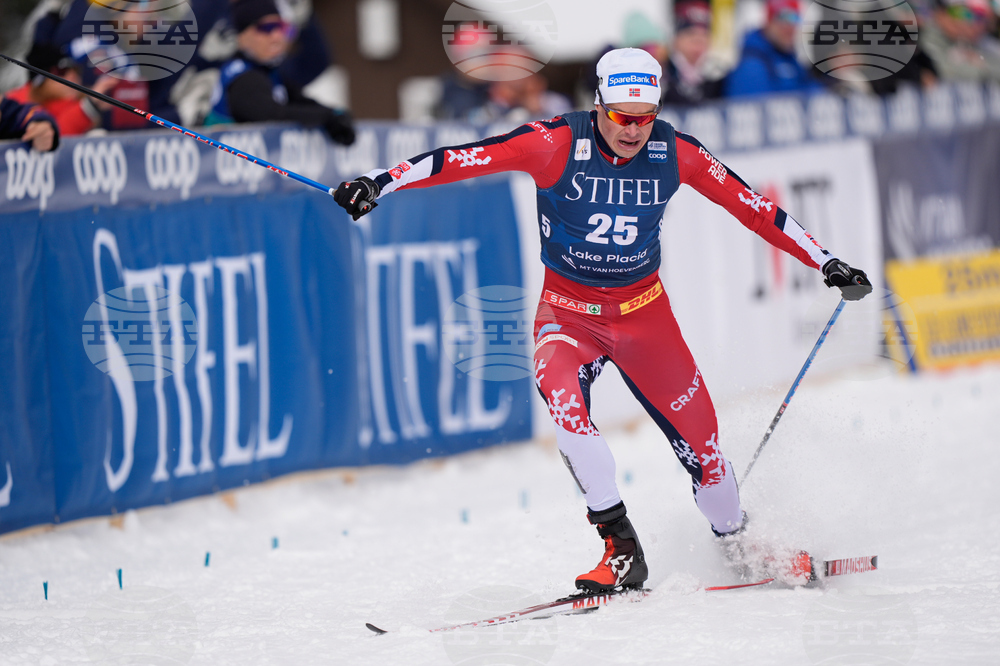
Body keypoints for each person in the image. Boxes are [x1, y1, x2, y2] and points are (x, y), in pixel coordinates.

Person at [333, 48, 872, 593]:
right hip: (568, 316)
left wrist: (825, 261)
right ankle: (621, 549)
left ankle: (738, 542)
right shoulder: (554, 143)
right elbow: (463, 158)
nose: (634, 130)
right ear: (597, 104)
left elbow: (754, 207)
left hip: (645, 319)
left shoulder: (676, 152)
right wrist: (379, 183)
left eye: (646, 117)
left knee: (707, 458)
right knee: (566, 407)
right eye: (620, 116)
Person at [205, 0, 354, 145]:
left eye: (281, 27)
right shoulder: (241, 75)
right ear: (242, 37)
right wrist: (326, 116)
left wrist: (335, 115)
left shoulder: (269, 71)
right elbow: (270, 114)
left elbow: (300, 101)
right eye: (267, 28)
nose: (277, 36)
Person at [724, 0, 826, 97]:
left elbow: (811, 92)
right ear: (768, 22)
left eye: (795, 18)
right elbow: (750, 108)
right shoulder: (753, 65)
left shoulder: (791, 60)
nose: (788, 27)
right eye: (782, 18)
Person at [662, 1, 727, 106]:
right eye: (691, 35)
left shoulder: (718, 77)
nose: (698, 44)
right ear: (677, 38)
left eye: (704, 36)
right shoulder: (663, 74)